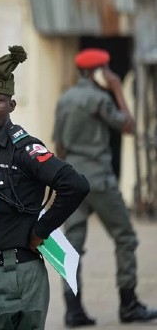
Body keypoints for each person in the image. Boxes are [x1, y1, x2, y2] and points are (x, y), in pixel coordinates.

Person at [0, 45, 90, 330]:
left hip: (15, 273)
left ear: (11, 106)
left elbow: (74, 184)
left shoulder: (24, 149)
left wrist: (41, 231)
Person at [53, 48, 157, 326]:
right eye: (107, 70)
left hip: (72, 180)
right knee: (125, 237)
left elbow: (59, 146)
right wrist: (117, 90)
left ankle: (73, 311)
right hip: (98, 179)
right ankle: (129, 304)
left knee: (71, 247)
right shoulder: (100, 99)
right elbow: (129, 126)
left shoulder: (65, 99)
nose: (111, 74)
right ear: (98, 72)